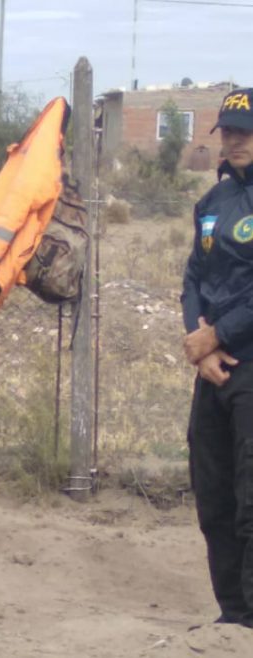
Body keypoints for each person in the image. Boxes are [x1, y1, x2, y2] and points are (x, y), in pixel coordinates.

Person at [181, 87, 253, 628]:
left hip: (248, 363)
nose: (235, 141)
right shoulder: (212, 202)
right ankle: (233, 615)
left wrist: (220, 335)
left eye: (245, 132)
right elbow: (193, 278)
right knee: (214, 495)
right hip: (214, 371)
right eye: (228, 131)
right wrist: (198, 340)